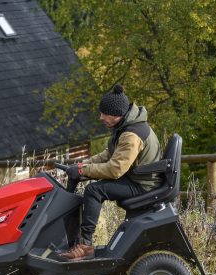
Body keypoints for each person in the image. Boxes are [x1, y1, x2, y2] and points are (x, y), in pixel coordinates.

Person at [60, 84, 163, 261]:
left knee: (94, 191)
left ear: (117, 115)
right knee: (94, 187)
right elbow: (108, 154)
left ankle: (85, 245)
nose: (100, 117)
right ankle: (81, 244)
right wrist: (83, 164)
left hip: (144, 185)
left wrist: (82, 170)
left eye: (104, 114)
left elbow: (115, 169)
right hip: (137, 179)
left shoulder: (132, 135)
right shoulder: (126, 127)